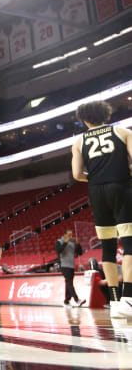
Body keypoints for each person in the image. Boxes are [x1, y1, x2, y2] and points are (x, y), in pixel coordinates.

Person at [71, 100, 132, 318]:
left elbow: (77, 174)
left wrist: (97, 177)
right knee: (129, 242)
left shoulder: (78, 142)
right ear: (106, 115)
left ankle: (115, 302)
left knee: (107, 246)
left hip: (96, 191)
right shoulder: (123, 131)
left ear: (84, 119)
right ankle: (129, 298)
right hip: (121, 187)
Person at [56, 229, 86, 307]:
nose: (70, 236)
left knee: (68, 283)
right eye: (69, 235)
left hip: (71, 265)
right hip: (64, 265)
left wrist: (78, 244)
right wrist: (66, 242)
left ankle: (66, 301)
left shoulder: (72, 243)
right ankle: (77, 300)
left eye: (71, 235)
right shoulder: (59, 241)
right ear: (64, 235)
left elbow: (80, 252)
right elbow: (59, 250)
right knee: (69, 283)